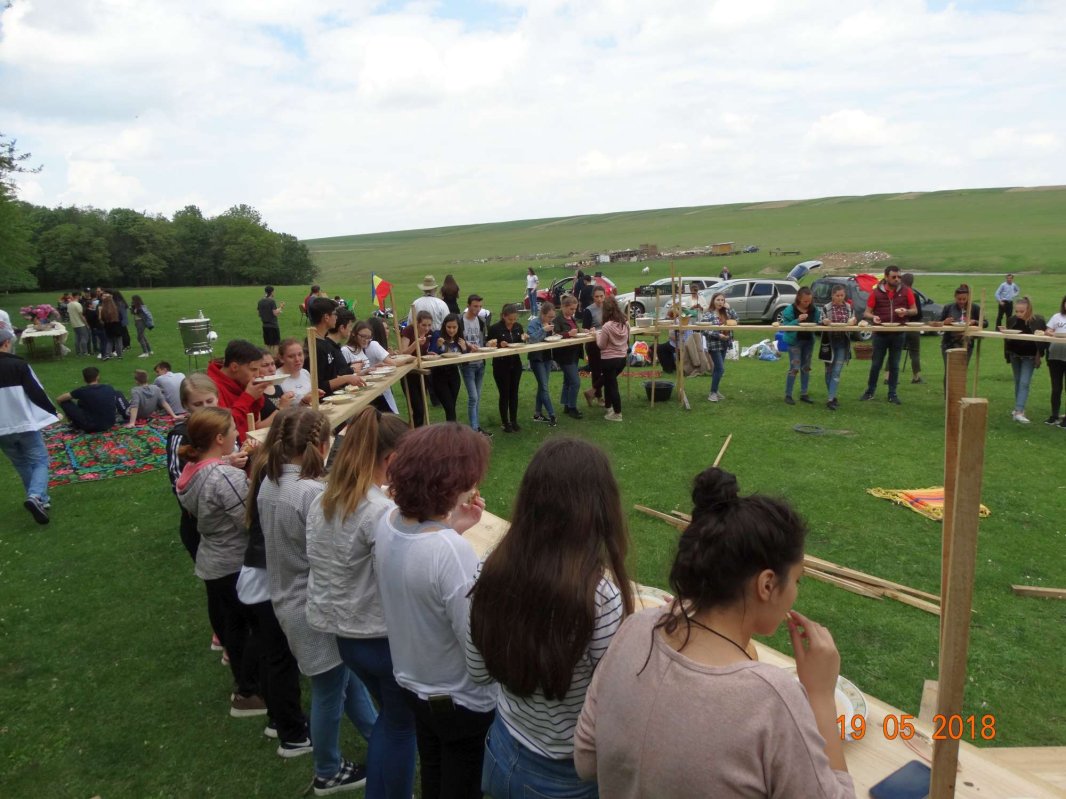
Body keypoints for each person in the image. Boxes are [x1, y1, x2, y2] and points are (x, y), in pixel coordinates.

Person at [573, 468, 855, 799]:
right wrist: (820, 696)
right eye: (797, 580)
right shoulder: (771, 699)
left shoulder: (633, 630)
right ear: (766, 584)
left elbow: (586, 762)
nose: (795, 592)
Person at [468, 438, 634, 799]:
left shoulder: (490, 568)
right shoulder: (600, 597)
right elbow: (613, 709)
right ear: (599, 507)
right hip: (564, 775)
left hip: (502, 748)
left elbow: (478, 670)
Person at [254, 407, 375, 795]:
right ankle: (327, 769)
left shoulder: (271, 483)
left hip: (290, 600)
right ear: (323, 445)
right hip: (312, 606)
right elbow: (337, 548)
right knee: (327, 691)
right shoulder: (309, 493)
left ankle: (379, 734)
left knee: (344, 677)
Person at [374, 424, 495, 799]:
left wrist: (452, 527)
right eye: (470, 478)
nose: (474, 486)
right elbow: (477, 650)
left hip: (414, 684)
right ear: (449, 483)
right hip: (459, 701)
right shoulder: (448, 552)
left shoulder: (388, 521)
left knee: (435, 772)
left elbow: (421, 581)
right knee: (461, 784)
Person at [307, 407, 417, 799]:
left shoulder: (325, 498)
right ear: (390, 460)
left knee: (392, 719)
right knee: (402, 725)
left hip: (345, 635)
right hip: (378, 638)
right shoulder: (380, 512)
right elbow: (403, 576)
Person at [175, 406, 265, 718]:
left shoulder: (191, 471)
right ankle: (250, 690)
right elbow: (248, 518)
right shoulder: (222, 476)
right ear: (218, 438)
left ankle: (245, 685)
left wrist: (229, 464)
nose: (238, 436)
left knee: (233, 627)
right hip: (233, 562)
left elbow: (209, 477)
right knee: (254, 629)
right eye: (232, 433)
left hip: (212, 559)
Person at [0, 325, 59, 524]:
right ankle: (36, 496)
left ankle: (40, 499)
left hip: (2, 429)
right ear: (6, 343)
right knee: (40, 460)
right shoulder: (18, 365)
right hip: (23, 423)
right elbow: (35, 392)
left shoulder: (18, 364)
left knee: (21, 463)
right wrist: (52, 411)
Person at [860, 265, 916, 405]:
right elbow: (866, 312)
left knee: (895, 365)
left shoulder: (906, 291)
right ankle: (870, 391)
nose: (897, 279)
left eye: (899, 277)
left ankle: (892, 394)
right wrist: (873, 318)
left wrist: (906, 312)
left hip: (898, 333)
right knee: (876, 364)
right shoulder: (876, 293)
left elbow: (914, 310)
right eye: (894, 277)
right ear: (886, 277)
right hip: (880, 333)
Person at [207, 338, 269, 442]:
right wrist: (248, 397)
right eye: (253, 369)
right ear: (234, 367)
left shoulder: (240, 380)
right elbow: (224, 426)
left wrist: (257, 395)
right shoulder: (211, 387)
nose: (257, 375)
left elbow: (252, 418)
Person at [1002, 297, 1047, 424]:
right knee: (1018, 381)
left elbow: (1043, 340)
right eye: (1017, 311)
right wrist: (1004, 332)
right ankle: (1018, 408)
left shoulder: (1038, 321)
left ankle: (1019, 411)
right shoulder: (1012, 320)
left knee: (1024, 382)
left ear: (1029, 310)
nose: (1019, 314)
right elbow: (1007, 339)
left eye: (1022, 311)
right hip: (1015, 355)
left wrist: (1039, 355)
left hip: (1030, 356)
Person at [309, 298, 365, 398]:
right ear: (326, 317)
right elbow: (319, 385)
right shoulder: (315, 346)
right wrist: (347, 378)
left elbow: (332, 375)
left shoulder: (324, 343)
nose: (336, 317)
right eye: (334, 314)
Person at [488, 303, 526, 433]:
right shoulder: (495, 329)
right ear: (504, 316)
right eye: (510, 319)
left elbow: (520, 342)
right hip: (501, 365)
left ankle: (514, 421)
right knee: (504, 394)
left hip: (515, 364)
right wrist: (498, 344)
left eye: (515, 319)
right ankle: (505, 422)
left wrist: (524, 339)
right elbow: (488, 344)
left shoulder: (518, 327)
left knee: (514, 393)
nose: (512, 322)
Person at [780, 286, 822, 405]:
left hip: (808, 341)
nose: (807, 303)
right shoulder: (790, 310)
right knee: (794, 368)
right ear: (799, 298)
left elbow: (817, 323)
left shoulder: (814, 310)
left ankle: (804, 393)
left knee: (806, 368)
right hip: (794, 342)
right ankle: (788, 394)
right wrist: (797, 320)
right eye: (805, 301)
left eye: (809, 301)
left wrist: (822, 323)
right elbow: (786, 327)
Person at [56, 366, 129, 433]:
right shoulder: (109, 388)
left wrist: (68, 414)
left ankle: (75, 422)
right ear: (98, 377)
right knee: (82, 402)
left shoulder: (82, 391)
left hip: (91, 426)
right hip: (110, 423)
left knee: (65, 402)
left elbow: (59, 399)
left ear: (84, 379)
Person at [819, 285, 855, 411]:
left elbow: (852, 320)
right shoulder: (826, 307)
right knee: (828, 371)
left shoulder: (849, 307)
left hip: (843, 342)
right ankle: (832, 396)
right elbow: (821, 320)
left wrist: (853, 321)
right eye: (837, 295)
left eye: (842, 295)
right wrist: (825, 321)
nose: (840, 298)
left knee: (837, 371)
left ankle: (830, 399)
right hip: (829, 343)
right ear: (832, 295)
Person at [459, 295, 491, 437]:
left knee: (477, 396)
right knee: (473, 397)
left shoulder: (481, 320)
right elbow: (457, 339)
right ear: (468, 305)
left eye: (479, 306)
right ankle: (473, 429)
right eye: (475, 306)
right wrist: (467, 346)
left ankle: (476, 426)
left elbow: (483, 339)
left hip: (480, 362)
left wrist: (488, 344)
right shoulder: (460, 320)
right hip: (467, 364)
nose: (477, 309)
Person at [596, 296, 629, 422]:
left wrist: (597, 336)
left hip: (609, 360)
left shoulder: (607, 326)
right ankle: (609, 407)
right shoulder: (625, 323)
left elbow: (601, 345)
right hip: (621, 358)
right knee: (610, 384)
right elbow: (626, 340)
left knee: (612, 386)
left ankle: (617, 413)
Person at [430, 313, 468, 423]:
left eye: (454, 327)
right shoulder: (438, 335)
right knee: (449, 407)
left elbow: (465, 363)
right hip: (439, 376)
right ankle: (453, 433)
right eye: (449, 327)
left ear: (458, 327)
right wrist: (437, 346)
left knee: (451, 407)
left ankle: (450, 432)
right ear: (444, 326)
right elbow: (430, 355)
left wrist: (464, 349)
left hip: (454, 376)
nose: (451, 330)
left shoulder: (459, 339)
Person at [939, 285, 984, 372]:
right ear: (955, 297)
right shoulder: (948, 307)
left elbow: (985, 323)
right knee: (949, 371)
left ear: (968, 298)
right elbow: (938, 323)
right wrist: (944, 322)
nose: (962, 301)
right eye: (959, 299)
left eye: (964, 299)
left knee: (961, 372)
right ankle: (947, 386)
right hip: (949, 344)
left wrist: (974, 321)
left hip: (967, 344)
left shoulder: (974, 308)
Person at [702, 292, 738, 403]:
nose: (720, 302)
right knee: (721, 369)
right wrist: (718, 335)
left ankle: (715, 391)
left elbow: (737, 320)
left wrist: (730, 308)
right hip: (714, 344)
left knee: (718, 369)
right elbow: (704, 330)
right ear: (713, 301)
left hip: (725, 343)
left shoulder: (726, 312)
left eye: (722, 300)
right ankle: (712, 393)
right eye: (718, 300)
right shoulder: (709, 314)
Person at [526, 302, 557, 426]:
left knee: (542, 386)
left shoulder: (549, 323)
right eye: (549, 317)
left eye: (552, 317)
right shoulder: (534, 323)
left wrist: (554, 334)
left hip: (547, 357)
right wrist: (543, 330)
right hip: (537, 358)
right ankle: (552, 414)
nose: (551, 319)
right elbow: (531, 339)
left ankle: (537, 414)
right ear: (542, 314)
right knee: (544, 387)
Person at [553, 294, 584, 420]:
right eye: (571, 309)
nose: (573, 311)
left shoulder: (572, 319)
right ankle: (572, 407)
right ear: (564, 307)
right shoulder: (557, 320)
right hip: (564, 355)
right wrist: (567, 334)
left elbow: (577, 331)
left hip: (574, 353)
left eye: (575, 309)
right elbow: (555, 335)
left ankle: (566, 404)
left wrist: (585, 331)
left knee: (568, 381)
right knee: (575, 382)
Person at [400, 310, 433, 426]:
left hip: (422, 372)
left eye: (429, 325)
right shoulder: (409, 331)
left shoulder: (430, 333)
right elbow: (403, 353)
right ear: (417, 323)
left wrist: (431, 353)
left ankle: (415, 431)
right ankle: (415, 435)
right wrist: (415, 344)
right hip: (409, 374)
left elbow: (424, 353)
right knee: (417, 409)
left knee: (422, 408)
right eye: (424, 325)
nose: (426, 328)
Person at [1044, 294, 1066, 427]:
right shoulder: (1056, 317)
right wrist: (1050, 333)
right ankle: (1054, 415)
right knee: (1056, 388)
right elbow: (1048, 331)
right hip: (1055, 356)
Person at [581, 286, 605, 408]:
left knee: (607, 369)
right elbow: (584, 328)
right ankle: (599, 397)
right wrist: (589, 330)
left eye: (601, 296)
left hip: (606, 343)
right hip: (593, 344)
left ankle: (595, 393)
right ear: (593, 297)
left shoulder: (608, 308)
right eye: (597, 296)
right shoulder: (588, 310)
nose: (599, 299)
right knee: (596, 370)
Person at [278, 338, 316, 404]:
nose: (297, 359)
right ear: (281, 358)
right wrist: (303, 402)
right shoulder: (277, 379)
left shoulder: (305, 373)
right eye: (291, 356)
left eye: (300, 354)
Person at [258, 286, 285, 354]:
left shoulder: (260, 301)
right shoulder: (272, 301)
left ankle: (266, 359)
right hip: (273, 326)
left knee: (267, 344)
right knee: (276, 344)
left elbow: (259, 313)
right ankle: (276, 360)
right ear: (272, 292)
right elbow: (275, 313)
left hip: (265, 326)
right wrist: (281, 307)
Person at [98, 293, 124, 359]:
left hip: (108, 326)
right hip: (117, 326)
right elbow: (121, 318)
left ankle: (107, 354)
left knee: (109, 341)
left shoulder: (103, 310)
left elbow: (102, 319)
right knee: (118, 342)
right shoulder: (116, 309)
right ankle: (120, 355)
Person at [67, 291, 90, 356]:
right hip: (80, 323)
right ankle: (85, 352)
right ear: (77, 296)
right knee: (84, 337)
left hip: (74, 324)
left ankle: (78, 352)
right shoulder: (77, 304)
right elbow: (81, 315)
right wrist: (86, 324)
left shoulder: (69, 304)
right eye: (79, 296)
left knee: (77, 338)